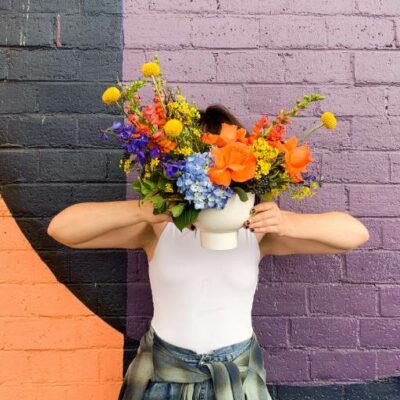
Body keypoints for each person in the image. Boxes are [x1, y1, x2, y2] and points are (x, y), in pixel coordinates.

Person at [47, 105, 370, 400]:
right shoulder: (159, 229)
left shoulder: (255, 234)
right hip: (162, 375)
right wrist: (145, 209)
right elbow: (63, 228)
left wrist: (285, 221)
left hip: (237, 377)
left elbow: (354, 234)